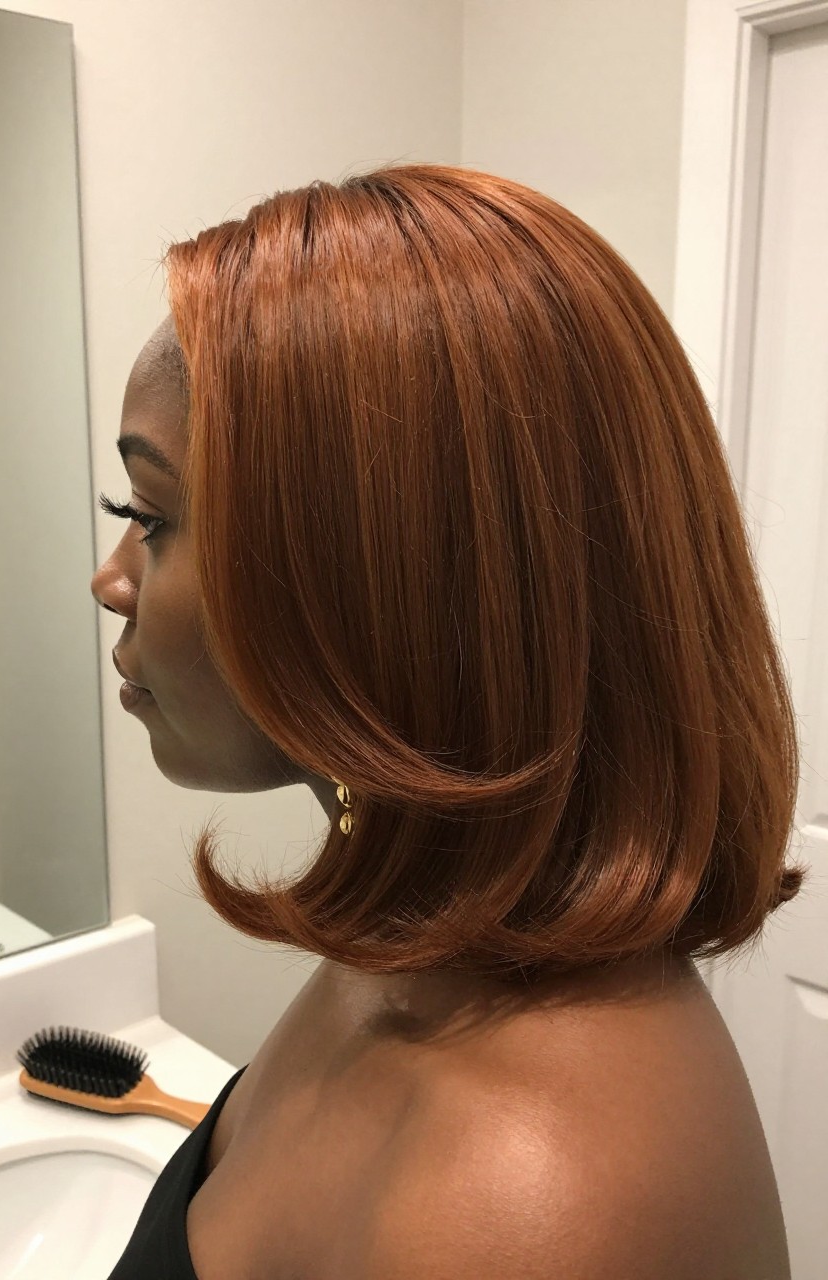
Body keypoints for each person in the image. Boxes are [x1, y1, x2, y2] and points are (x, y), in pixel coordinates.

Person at [91, 163, 803, 1279]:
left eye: (150, 515)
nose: (112, 578)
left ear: (381, 586)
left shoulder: (528, 1203)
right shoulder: (422, 947)